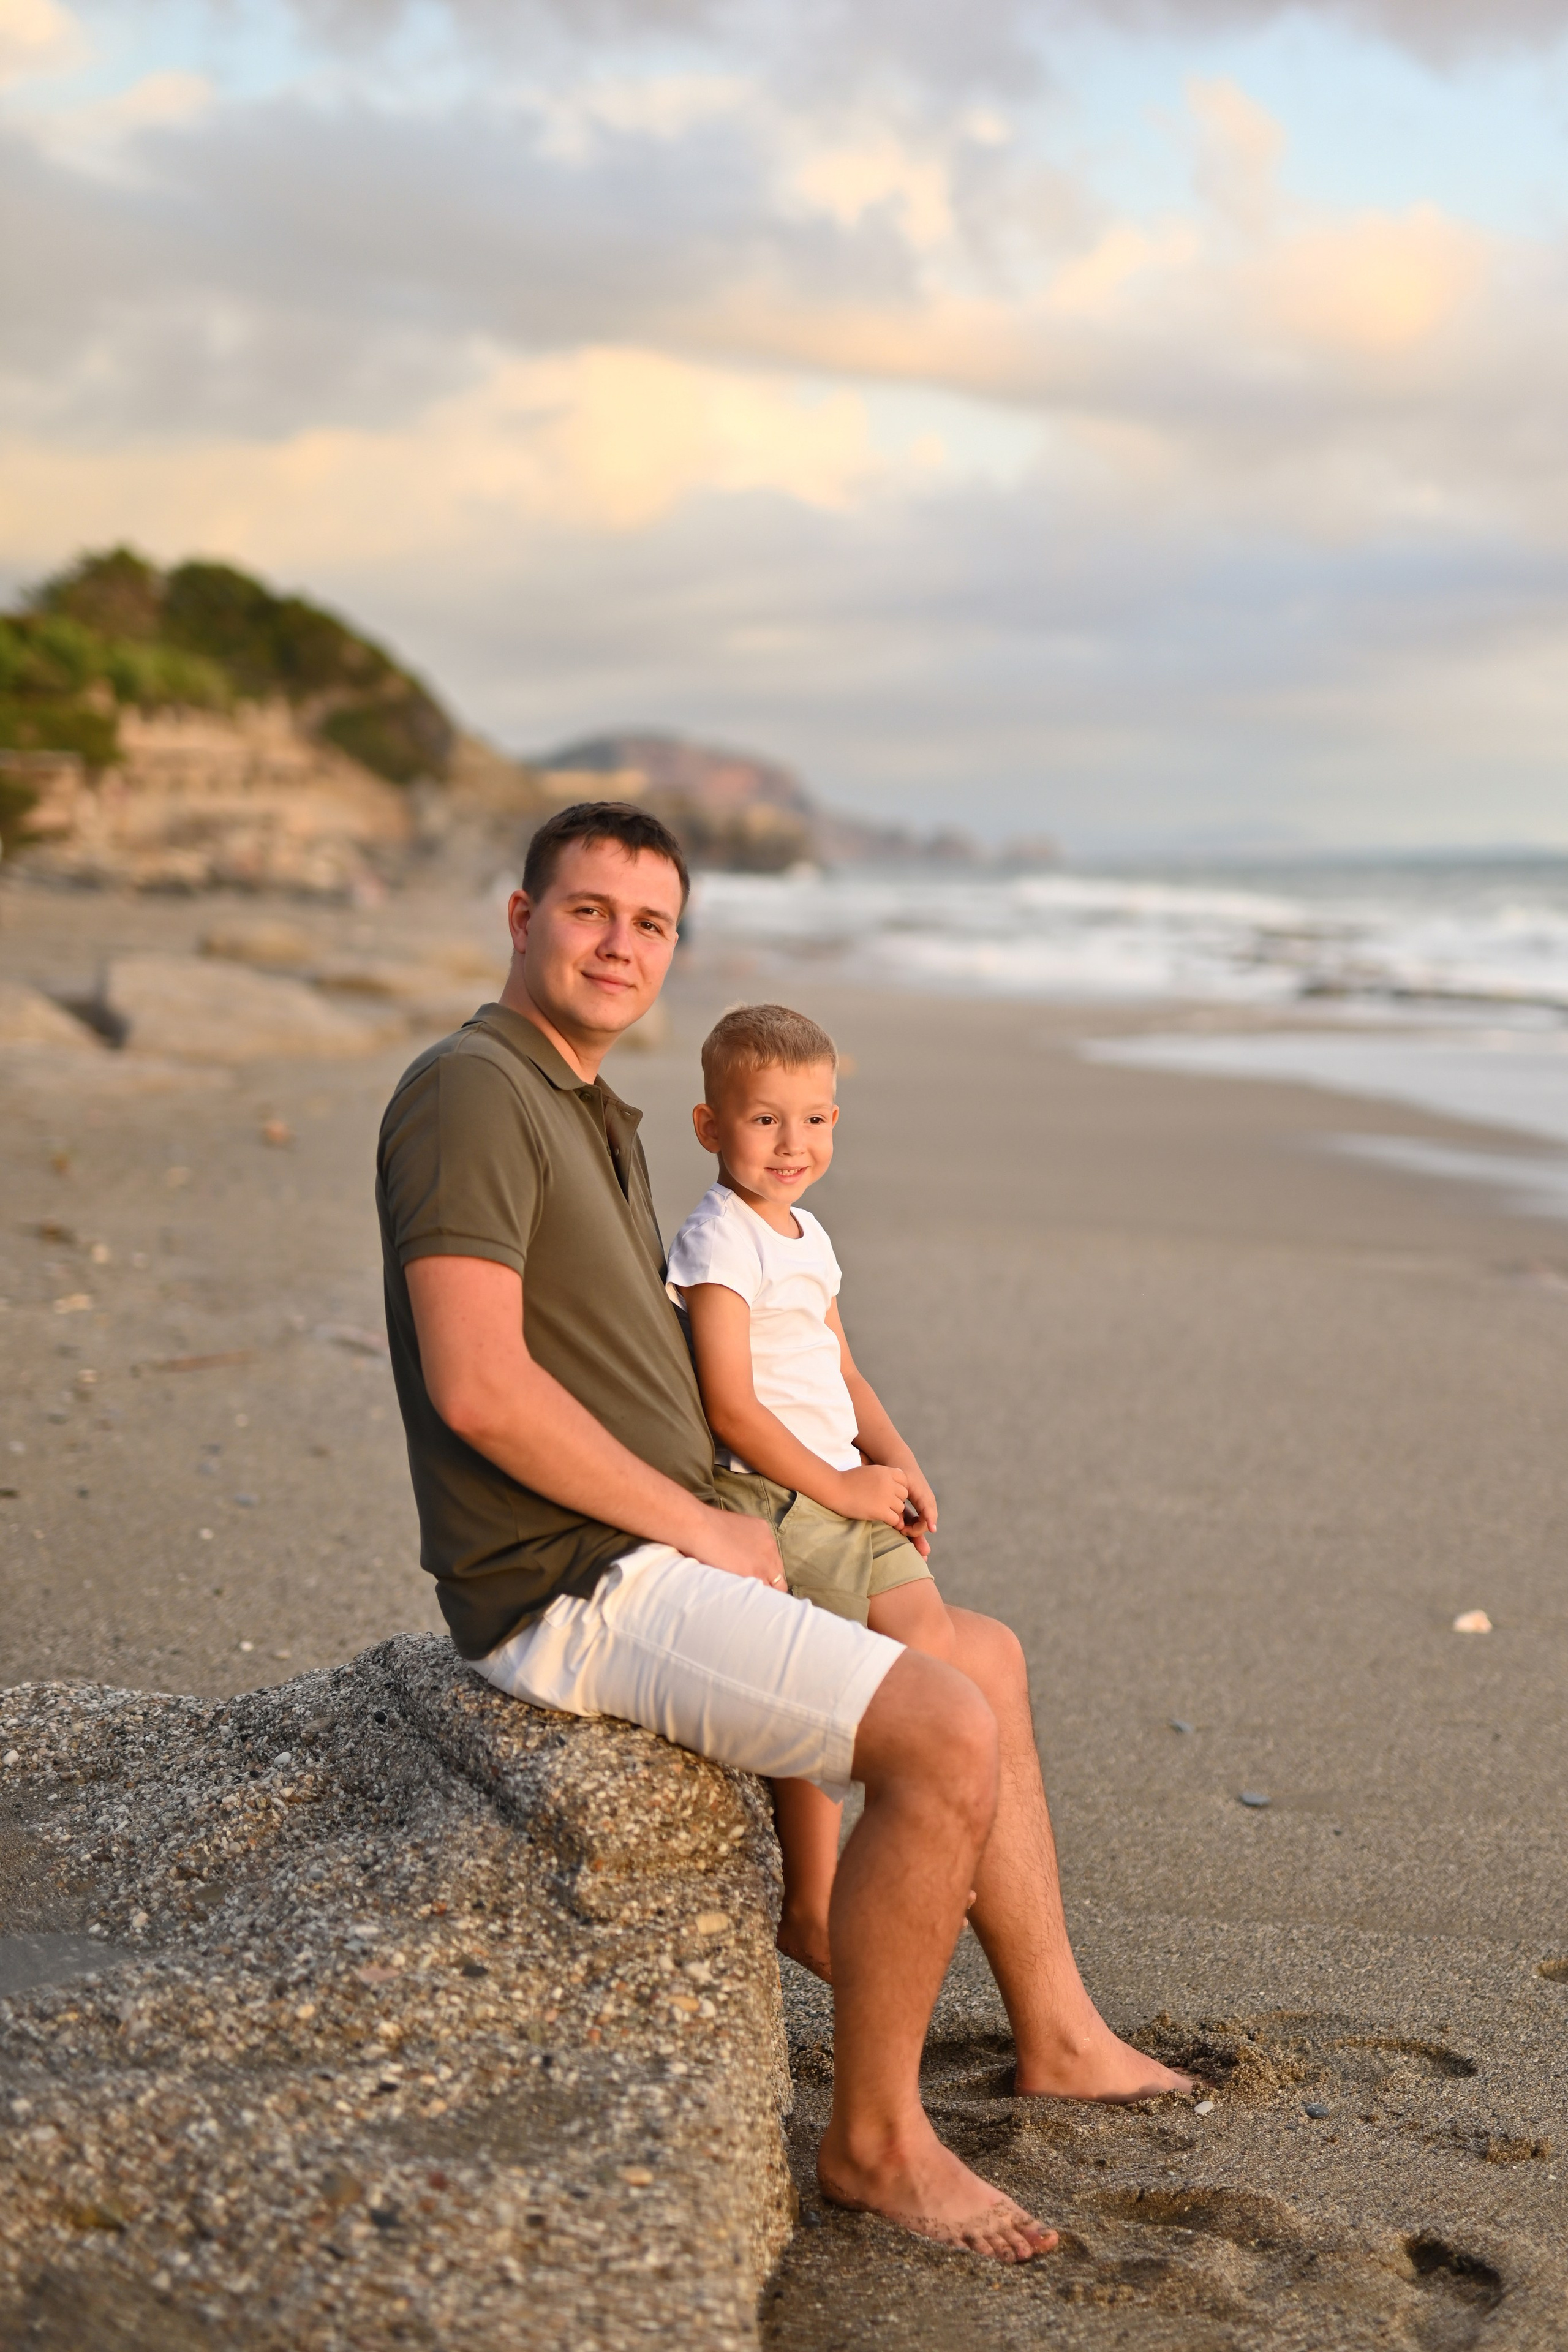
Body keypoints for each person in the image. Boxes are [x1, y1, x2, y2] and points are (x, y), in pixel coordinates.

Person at [375, 799, 1191, 2264]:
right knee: (941, 1733)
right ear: (519, 918)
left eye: (650, 923)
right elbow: (479, 1386)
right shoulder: (471, 1094)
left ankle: (1058, 2032)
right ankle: (874, 2143)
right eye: (586, 910)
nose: (618, 944)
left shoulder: (584, 1112)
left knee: (982, 1660)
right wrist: (701, 1519)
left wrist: (805, 1483)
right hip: (575, 1581)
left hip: (655, 1542)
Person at [665, 1001, 957, 1983]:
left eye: (817, 1119)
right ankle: (813, 1902)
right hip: (776, 1498)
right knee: (812, 1697)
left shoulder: (808, 1236)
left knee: (936, 1654)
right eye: (764, 1120)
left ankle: (916, 1837)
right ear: (711, 1127)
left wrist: (897, 1459)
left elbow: (843, 1371)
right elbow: (732, 1409)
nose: (794, 1144)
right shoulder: (720, 1242)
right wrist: (838, 1484)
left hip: (849, 1485)